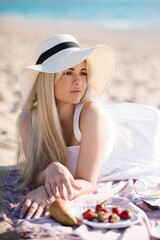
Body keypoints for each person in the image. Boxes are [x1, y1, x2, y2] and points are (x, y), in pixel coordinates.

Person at [16, 34, 160, 220]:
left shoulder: (93, 113)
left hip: (142, 141)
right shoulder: (27, 120)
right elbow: (36, 173)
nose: (79, 81)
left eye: (83, 72)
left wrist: (47, 191)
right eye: (68, 72)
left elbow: (87, 183)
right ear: (48, 78)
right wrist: (52, 168)